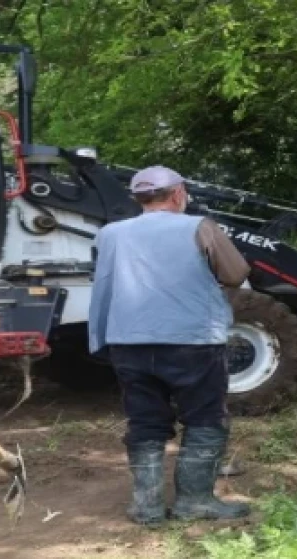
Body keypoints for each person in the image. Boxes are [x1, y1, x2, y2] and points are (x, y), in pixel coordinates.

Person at [88, 165, 252, 525]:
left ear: (138, 198)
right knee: (204, 418)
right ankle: (194, 501)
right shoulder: (199, 227)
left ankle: (146, 507)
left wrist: (98, 339)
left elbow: (101, 284)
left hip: (128, 342)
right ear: (178, 194)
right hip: (192, 341)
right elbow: (236, 273)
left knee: (145, 421)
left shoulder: (110, 234)